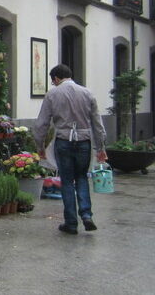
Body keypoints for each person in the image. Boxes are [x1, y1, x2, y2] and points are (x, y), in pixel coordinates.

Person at [33, 64, 107, 235]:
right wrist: (100, 147)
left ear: (56, 79)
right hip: (83, 140)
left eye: (53, 81)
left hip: (64, 140)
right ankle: (87, 215)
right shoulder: (87, 93)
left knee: (66, 181)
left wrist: (40, 146)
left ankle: (71, 222)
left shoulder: (52, 94)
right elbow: (97, 123)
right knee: (82, 177)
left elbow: (41, 124)